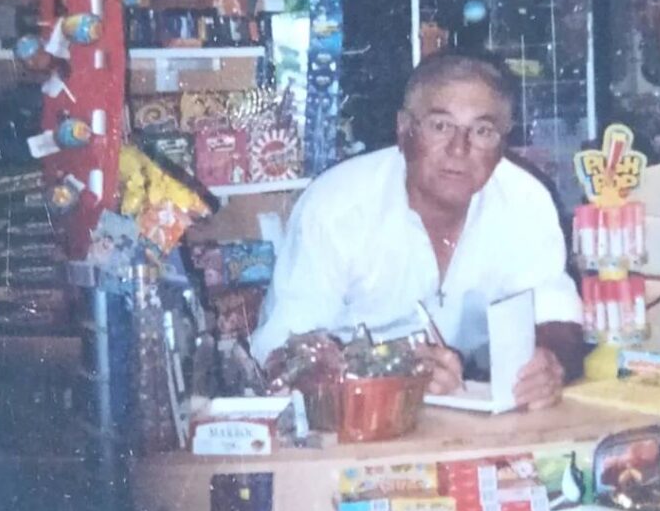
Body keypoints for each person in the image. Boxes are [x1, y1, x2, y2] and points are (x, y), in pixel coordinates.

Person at [250, 53, 584, 410]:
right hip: (350, 413)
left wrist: (550, 362)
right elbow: (279, 353)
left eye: (482, 131)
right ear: (404, 130)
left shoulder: (524, 199)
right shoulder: (338, 206)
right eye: (440, 126)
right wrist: (386, 371)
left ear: (502, 142)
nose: (459, 149)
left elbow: (558, 317)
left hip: (472, 408)